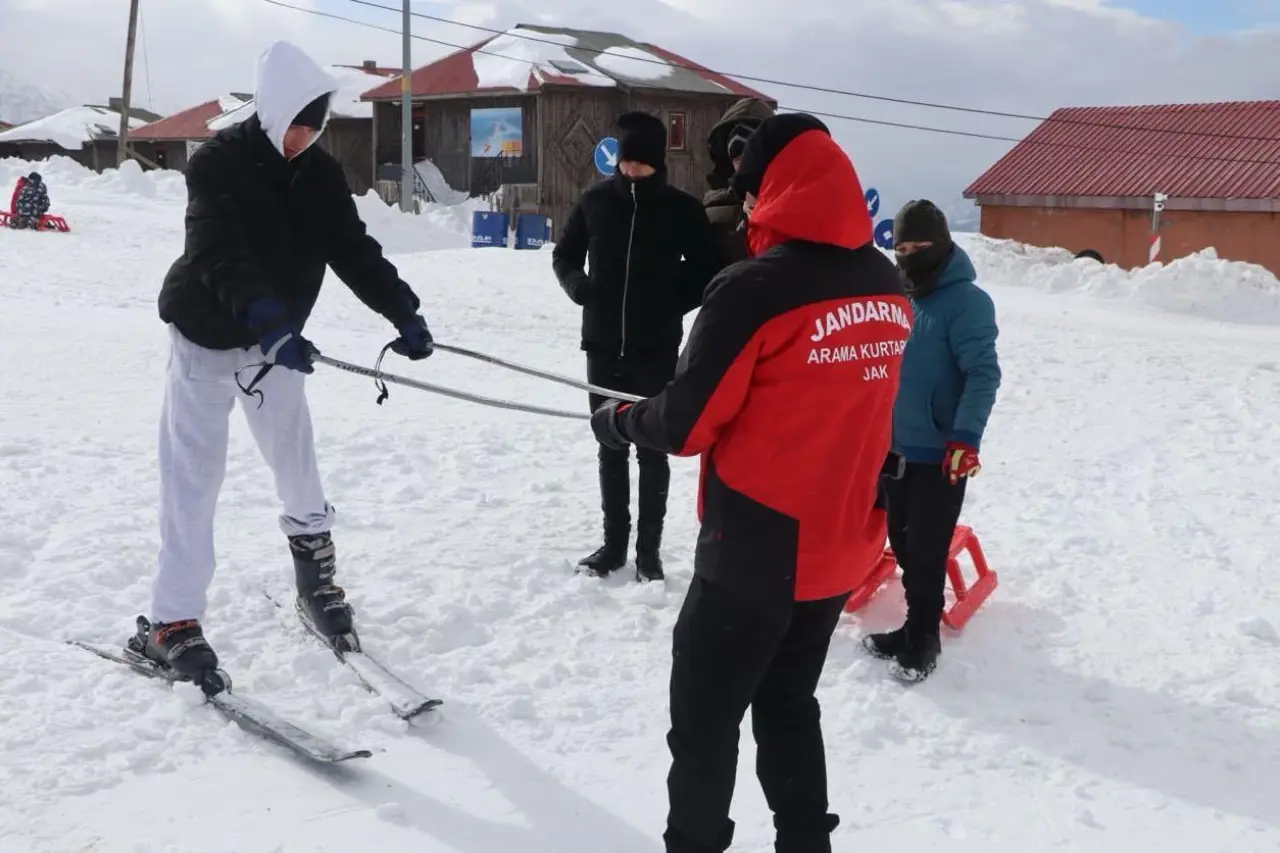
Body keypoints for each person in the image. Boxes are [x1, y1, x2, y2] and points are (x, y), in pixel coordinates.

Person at [590, 113, 911, 853]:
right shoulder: (885, 282)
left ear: (768, 188)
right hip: (839, 544)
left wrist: (621, 422)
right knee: (789, 704)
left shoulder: (752, 290)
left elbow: (686, 423)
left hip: (756, 552)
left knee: (702, 726)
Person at [137, 40, 434, 686]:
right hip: (207, 336)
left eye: (316, 121)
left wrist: (402, 312)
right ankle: (171, 619)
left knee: (297, 462)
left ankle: (316, 581)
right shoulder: (216, 165)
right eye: (298, 119)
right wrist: (272, 326)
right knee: (194, 477)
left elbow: (352, 249)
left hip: (273, 345)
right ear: (272, 111)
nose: (306, 133)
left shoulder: (319, 175)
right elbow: (218, 255)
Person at [551, 109, 718, 583]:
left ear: (657, 163)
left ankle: (649, 553)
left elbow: (705, 270)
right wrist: (578, 287)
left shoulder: (681, 209)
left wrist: (671, 303)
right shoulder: (595, 201)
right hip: (602, 345)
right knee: (609, 444)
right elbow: (564, 254)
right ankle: (614, 546)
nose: (630, 171)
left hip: (656, 348)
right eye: (625, 163)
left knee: (651, 449)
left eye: (640, 164)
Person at [861, 199, 1001, 683]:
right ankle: (911, 627)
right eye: (901, 247)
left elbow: (982, 374)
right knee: (900, 541)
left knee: (926, 547)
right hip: (893, 446)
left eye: (920, 245)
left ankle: (924, 637)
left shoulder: (967, 302)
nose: (910, 254)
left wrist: (965, 438)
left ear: (941, 244)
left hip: (942, 453)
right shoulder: (899, 296)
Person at [702, 97, 774, 267]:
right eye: (737, 158)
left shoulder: (794, 206)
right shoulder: (710, 213)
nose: (744, 166)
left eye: (751, 158)